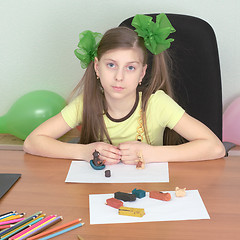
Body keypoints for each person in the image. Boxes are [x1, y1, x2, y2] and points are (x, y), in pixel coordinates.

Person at [23, 14, 225, 164]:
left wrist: (152, 154)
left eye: (130, 68)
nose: (119, 76)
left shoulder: (157, 104)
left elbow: (214, 147)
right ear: (97, 67)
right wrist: (84, 152)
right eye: (111, 65)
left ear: (142, 73)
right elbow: (32, 142)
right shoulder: (86, 103)